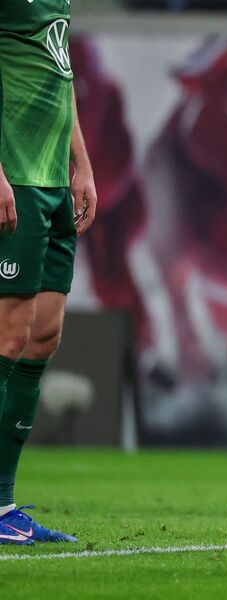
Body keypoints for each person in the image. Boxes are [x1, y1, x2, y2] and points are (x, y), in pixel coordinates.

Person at [0, 0, 97, 544]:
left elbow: (61, 72)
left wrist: (81, 163)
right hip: (14, 176)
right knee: (8, 335)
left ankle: (3, 504)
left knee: (42, 337)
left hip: (54, 181)